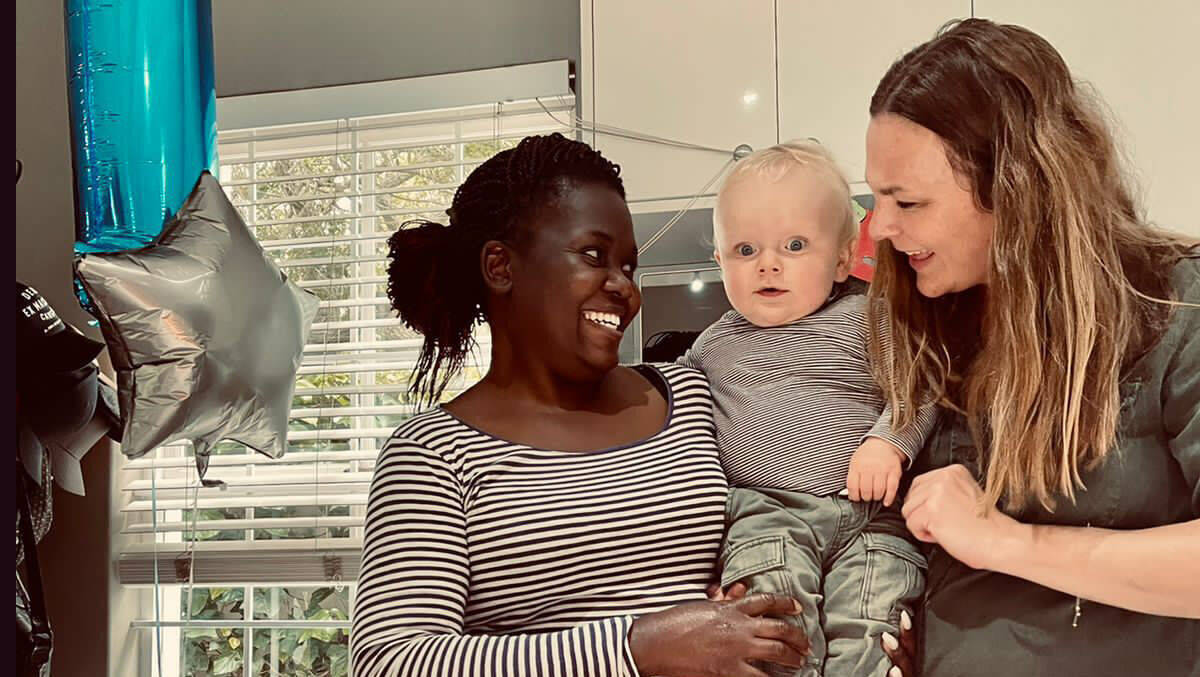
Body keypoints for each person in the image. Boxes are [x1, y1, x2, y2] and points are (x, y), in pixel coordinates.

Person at [349, 133, 812, 677]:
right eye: (593, 256)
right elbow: (392, 663)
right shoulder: (432, 454)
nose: (624, 287)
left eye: (630, 267)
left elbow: (814, 503)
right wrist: (638, 648)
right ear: (501, 267)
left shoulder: (691, 393)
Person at [860, 18, 1200, 676]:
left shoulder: (1176, 305)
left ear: (1016, 190)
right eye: (878, 197)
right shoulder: (930, 321)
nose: (881, 228)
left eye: (908, 201)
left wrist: (1008, 541)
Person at [679, 141, 936, 677]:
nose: (768, 264)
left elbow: (922, 383)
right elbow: (669, 412)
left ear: (842, 257)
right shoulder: (709, 348)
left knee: (875, 629)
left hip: (872, 521)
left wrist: (889, 440)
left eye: (795, 245)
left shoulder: (870, 318)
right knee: (771, 632)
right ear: (719, 262)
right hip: (764, 515)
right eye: (745, 251)